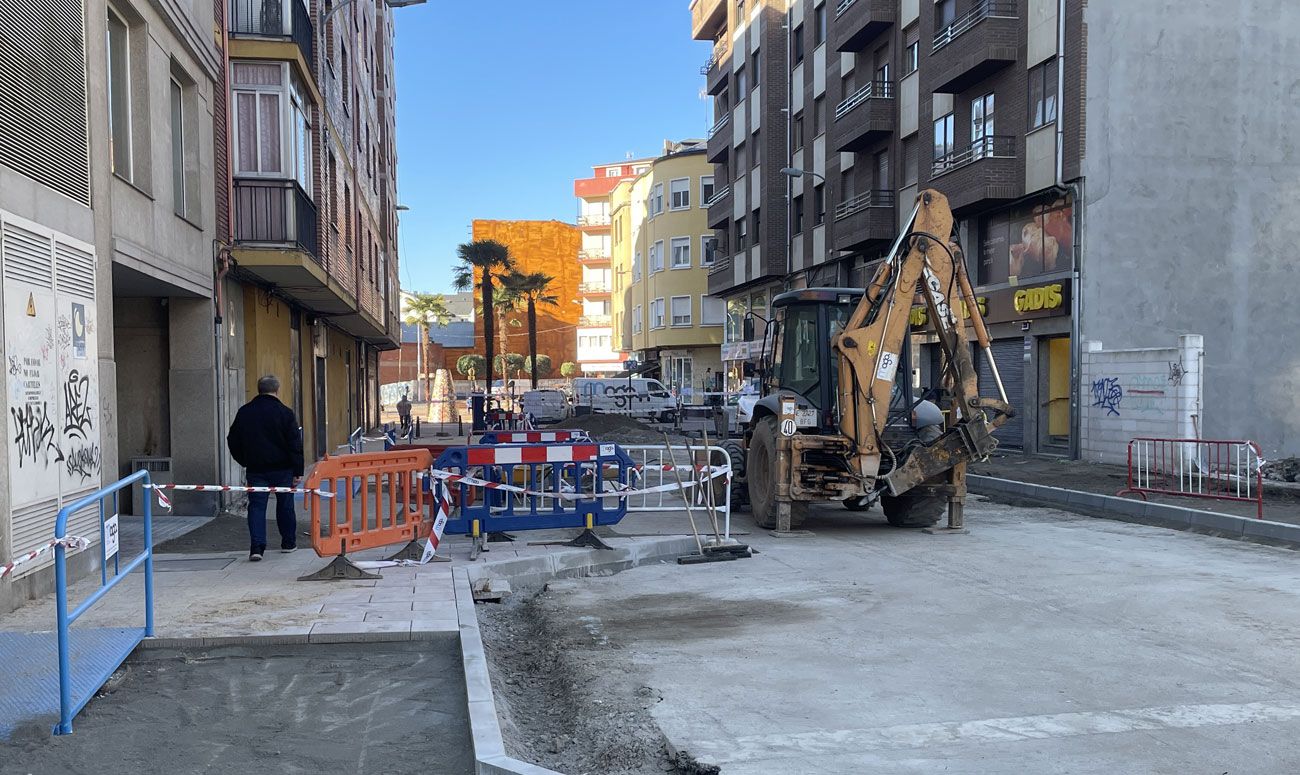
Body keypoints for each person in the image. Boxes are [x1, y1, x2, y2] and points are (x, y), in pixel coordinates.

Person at [227, 375, 304, 561]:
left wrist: (244, 460)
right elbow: (294, 444)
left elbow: (232, 440)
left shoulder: (245, 412)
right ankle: (288, 543)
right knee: (285, 505)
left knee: (257, 507)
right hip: (283, 469)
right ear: (277, 390)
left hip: (256, 468)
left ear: (258, 389)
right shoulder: (285, 413)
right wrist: (298, 471)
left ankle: (257, 547)